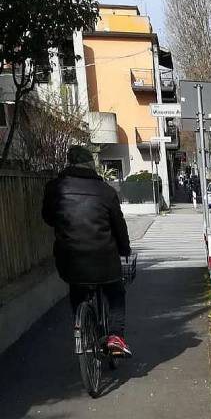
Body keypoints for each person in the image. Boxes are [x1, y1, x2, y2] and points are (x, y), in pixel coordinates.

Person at [42, 146, 132, 357]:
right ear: (91, 164)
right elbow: (119, 225)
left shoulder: (55, 188)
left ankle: (81, 327)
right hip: (104, 257)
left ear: (69, 163)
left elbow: (47, 217)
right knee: (116, 294)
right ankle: (115, 337)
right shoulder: (106, 191)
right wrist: (125, 249)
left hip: (70, 257)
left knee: (78, 289)